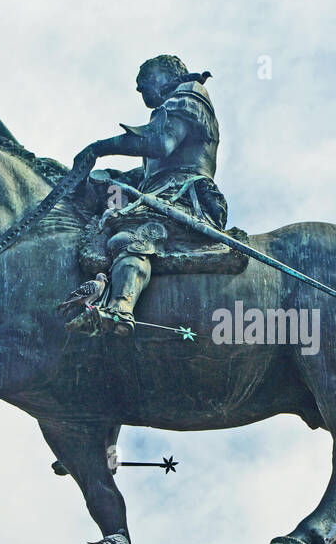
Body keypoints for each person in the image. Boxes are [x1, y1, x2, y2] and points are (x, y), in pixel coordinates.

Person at [67, 55, 225, 336]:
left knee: (130, 238)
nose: (140, 90)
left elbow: (160, 143)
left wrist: (98, 147)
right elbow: (146, 177)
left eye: (145, 81)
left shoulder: (188, 96)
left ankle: (119, 310)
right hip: (161, 194)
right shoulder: (173, 107)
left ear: (165, 74)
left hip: (185, 197)